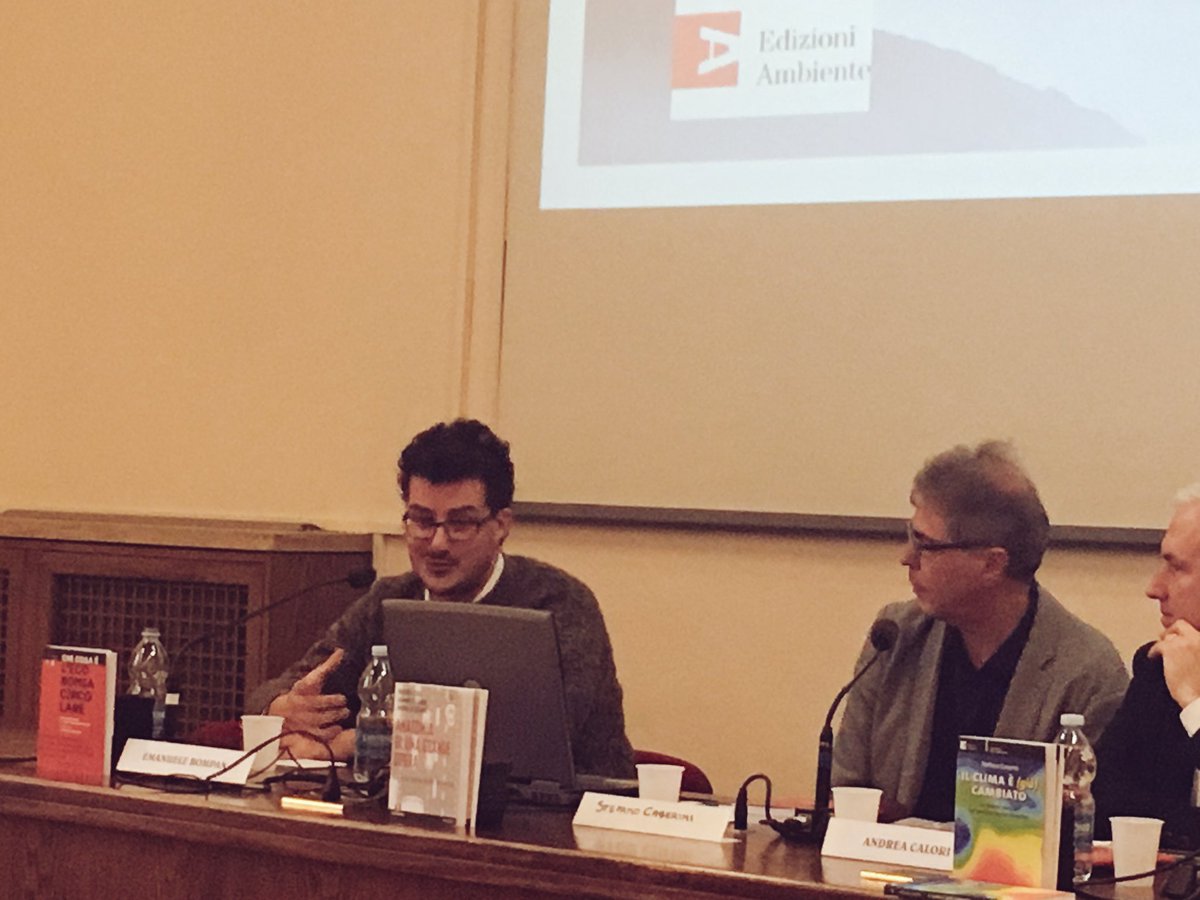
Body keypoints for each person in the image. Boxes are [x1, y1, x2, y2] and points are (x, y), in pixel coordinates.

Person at [247, 419, 636, 778]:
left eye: (460, 523)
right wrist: (284, 708)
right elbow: (272, 690)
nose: (437, 543)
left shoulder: (558, 602)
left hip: (564, 814)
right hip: (412, 808)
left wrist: (349, 743)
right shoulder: (390, 599)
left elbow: (527, 737)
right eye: (421, 520)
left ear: (501, 525)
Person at [832, 440, 1128, 822]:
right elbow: (847, 792)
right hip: (878, 861)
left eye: (925, 545)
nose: (906, 558)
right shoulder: (895, 637)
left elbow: (1073, 826)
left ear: (991, 564)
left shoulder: (1087, 674)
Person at [1093, 486, 1200, 848]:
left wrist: (1194, 703)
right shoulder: (1159, 668)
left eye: (1176, 567)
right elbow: (1105, 805)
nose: (1154, 588)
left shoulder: (1182, 679)